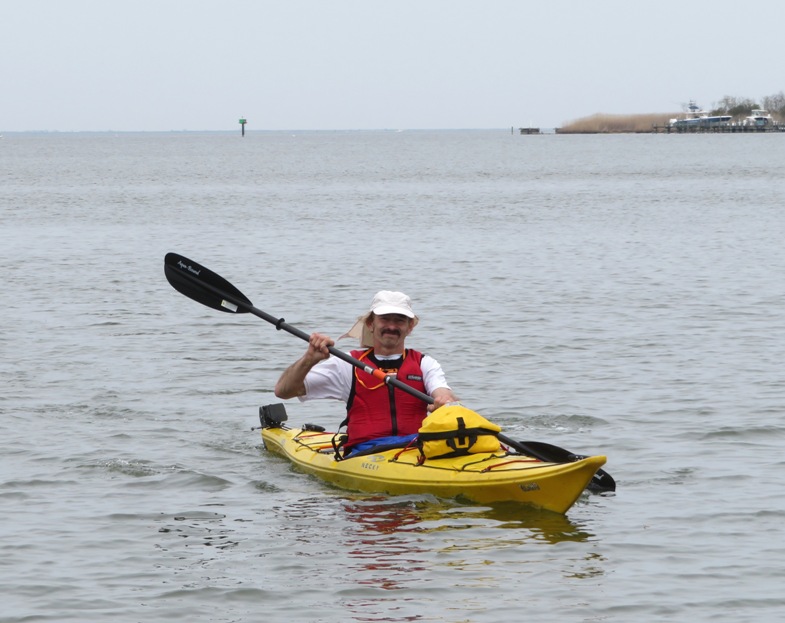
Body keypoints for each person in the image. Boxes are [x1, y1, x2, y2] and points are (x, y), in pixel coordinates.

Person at [274, 290, 457, 454]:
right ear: (370, 323)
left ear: (410, 327)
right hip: (365, 453)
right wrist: (309, 359)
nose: (391, 326)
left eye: (399, 320)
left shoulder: (425, 363)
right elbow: (283, 391)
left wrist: (444, 401)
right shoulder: (347, 364)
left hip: (415, 449)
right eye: (385, 319)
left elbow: (443, 393)